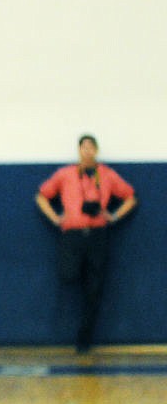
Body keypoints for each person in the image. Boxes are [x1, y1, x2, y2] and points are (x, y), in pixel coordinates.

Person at [36, 134, 137, 353]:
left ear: (96, 151)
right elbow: (42, 195)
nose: (87, 151)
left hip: (97, 234)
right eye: (84, 147)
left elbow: (130, 196)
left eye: (91, 148)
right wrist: (56, 217)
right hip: (72, 235)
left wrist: (114, 215)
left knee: (94, 289)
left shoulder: (107, 175)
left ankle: (85, 340)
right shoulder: (65, 174)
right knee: (69, 275)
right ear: (79, 150)